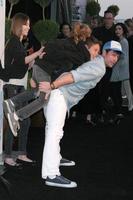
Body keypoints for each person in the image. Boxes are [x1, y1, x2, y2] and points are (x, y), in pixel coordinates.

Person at [5, 41, 122, 187]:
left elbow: (68, 70)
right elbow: (72, 76)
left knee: (54, 132)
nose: (114, 59)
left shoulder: (96, 61)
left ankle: (56, 157)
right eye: (112, 54)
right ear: (104, 53)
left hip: (59, 95)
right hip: (59, 96)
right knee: (55, 133)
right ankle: (51, 174)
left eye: (117, 56)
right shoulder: (99, 68)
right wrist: (52, 86)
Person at [3, 23, 92, 136]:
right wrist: (83, 45)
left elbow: (49, 49)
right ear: (84, 36)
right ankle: (16, 116)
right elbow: (85, 59)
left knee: (36, 92)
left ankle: (10, 102)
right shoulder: (74, 46)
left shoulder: (65, 42)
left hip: (39, 68)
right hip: (43, 70)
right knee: (44, 99)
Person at [2, 13, 44, 168]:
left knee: (24, 121)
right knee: (15, 121)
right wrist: (37, 53)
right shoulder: (13, 41)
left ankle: (21, 153)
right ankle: (7, 155)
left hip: (19, 86)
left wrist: (33, 58)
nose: (28, 27)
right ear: (20, 25)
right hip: (13, 86)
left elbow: (22, 64)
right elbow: (21, 61)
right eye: (26, 24)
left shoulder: (18, 42)